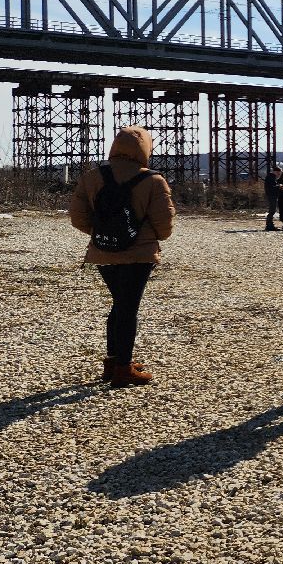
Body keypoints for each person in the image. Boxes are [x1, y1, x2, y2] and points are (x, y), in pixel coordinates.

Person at [68, 125, 176, 387]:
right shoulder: (153, 180)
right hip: (139, 255)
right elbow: (164, 225)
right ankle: (123, 369)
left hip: (103, 252)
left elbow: (78, 217)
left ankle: (113, 362)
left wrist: (102, 233)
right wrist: (143, 237)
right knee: (128, 309)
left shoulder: (93, 176)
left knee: (120, 305)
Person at [263, 162, 281, 231]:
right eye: (278, 173)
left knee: (272, 210)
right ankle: (269, 225)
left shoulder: (271, 177)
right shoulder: (271, 177)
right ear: (275, 172)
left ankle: (270, 224)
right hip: (271, 195)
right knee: (272, 210)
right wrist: (279, 186)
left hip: (272, 195)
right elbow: (271, 187)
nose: (279, 175)